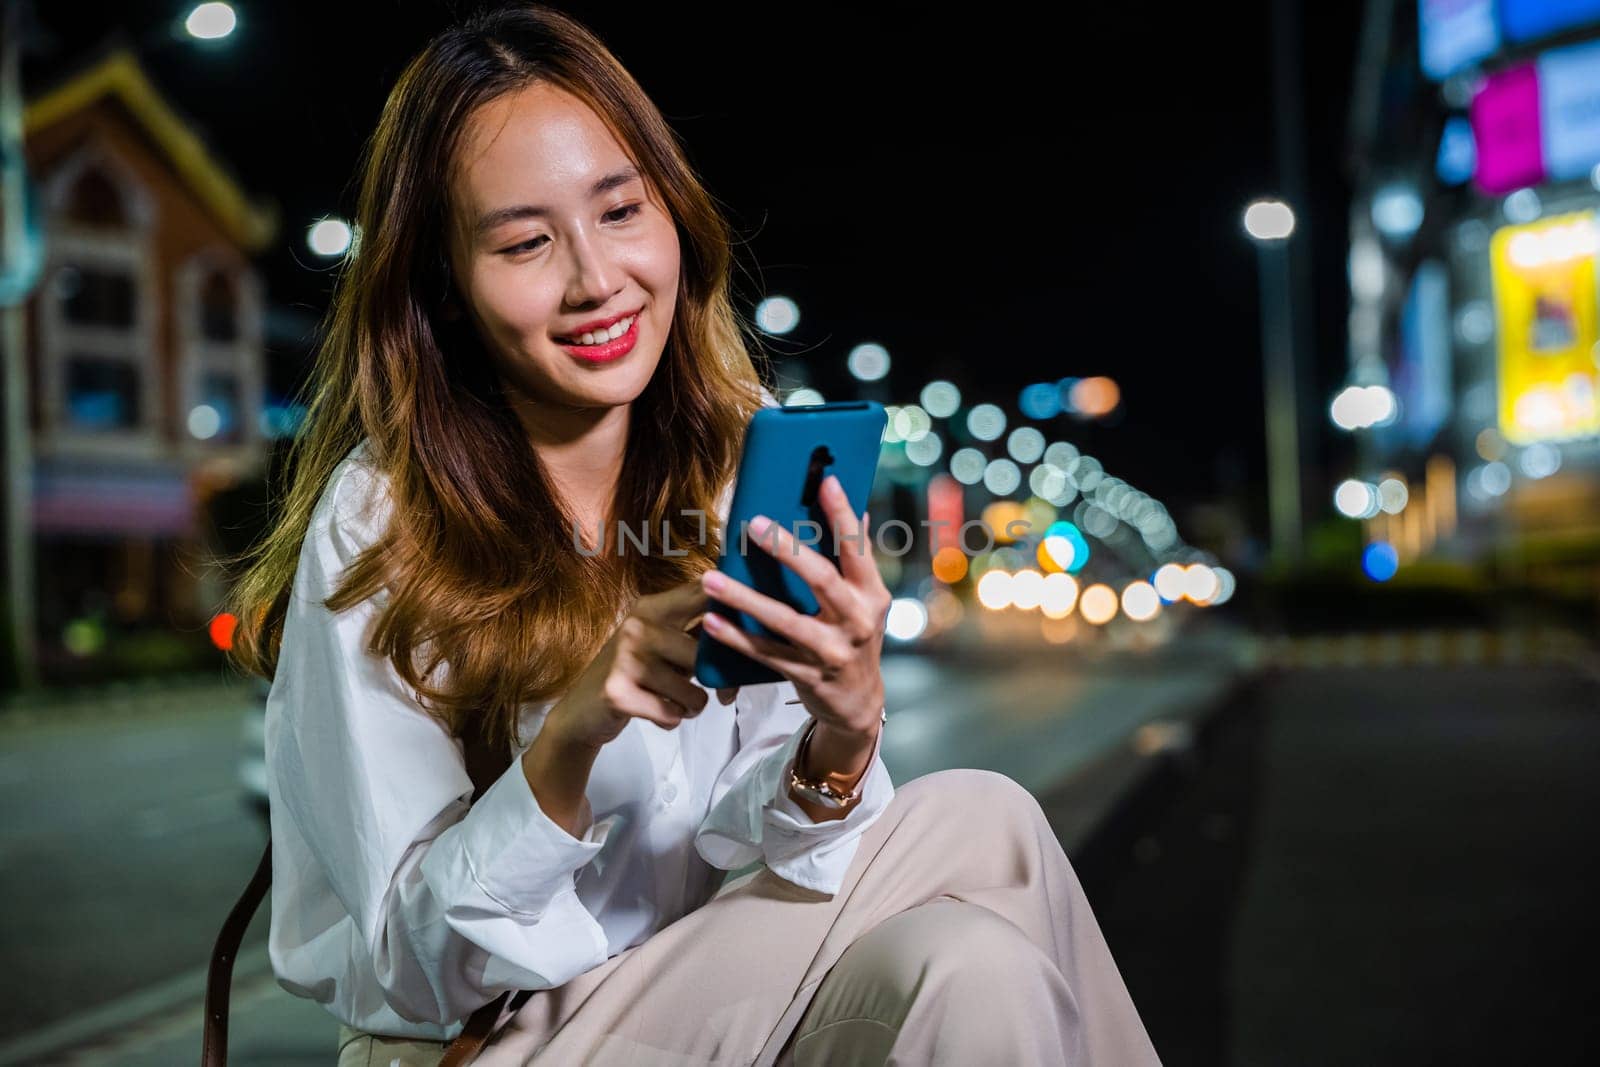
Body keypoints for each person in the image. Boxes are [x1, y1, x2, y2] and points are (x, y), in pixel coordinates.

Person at [226, 4, 1161, 1064]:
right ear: (445, 287)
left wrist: (837, 743)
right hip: (490, 1045)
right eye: (526, 242)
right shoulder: (384, 514)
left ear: (673, 212)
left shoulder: (730, 476)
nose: (595, 278)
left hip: (721, 1007)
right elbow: (410, 963)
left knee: (973, 959)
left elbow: (756, 843)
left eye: (620, 211)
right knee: (984, 823)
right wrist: (568, 735)